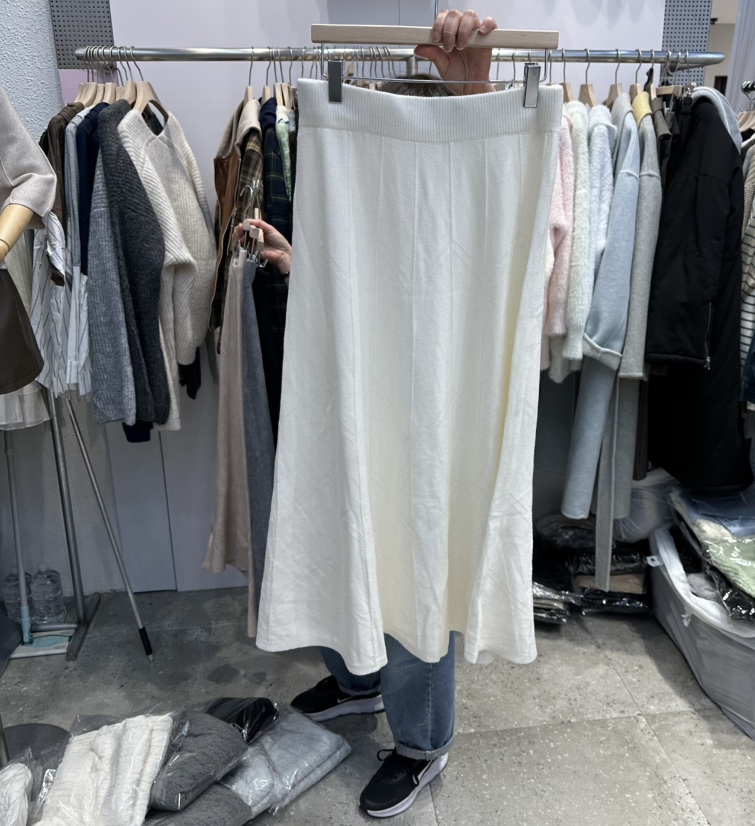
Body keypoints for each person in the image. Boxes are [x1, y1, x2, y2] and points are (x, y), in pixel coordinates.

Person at [238, 10, 500, 819]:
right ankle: (358, 679)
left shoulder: (464, 160)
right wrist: (302, 264)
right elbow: (378, 274)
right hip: (350, 375)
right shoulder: (351, 155)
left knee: (412, 545)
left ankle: (422, 740)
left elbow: (484, 235)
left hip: (427, 393)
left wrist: (474, 93)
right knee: (332, 522)